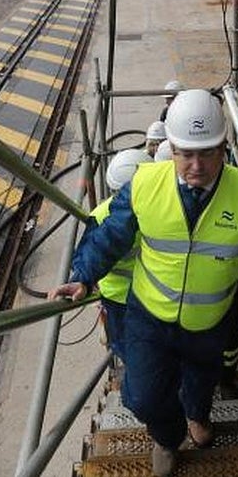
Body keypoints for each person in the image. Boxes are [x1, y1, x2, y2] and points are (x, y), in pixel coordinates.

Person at [50, 89, 238, 477]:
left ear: (224, 147)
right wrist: (83, 276)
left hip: (209, 321)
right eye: (185, 153)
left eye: (207, 152)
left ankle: (197, 414)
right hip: (149, 318)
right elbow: (110, 235)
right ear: (171, 148)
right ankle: (167, 435)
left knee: (200, 380)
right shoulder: (145, 185)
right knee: (140, 397)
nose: (195, 165)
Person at [88, 148, 153, 362]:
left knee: (124, 342)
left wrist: (86, 281)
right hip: (154, 294)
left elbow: (90, 257)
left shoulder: (99, 215)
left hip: (116, 297)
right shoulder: (158, 213)